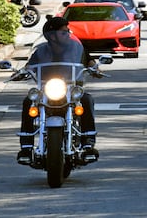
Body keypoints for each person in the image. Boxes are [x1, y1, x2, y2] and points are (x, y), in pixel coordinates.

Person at [17, 17, 99, 164]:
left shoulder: (77, 48)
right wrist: (21, 72)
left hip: (70, 88)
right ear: (51, 35)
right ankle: (26, 146)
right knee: (28, 101)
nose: (67, 34)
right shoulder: (41, 51)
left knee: (86, 99)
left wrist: (95, 69)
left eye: (67, 31)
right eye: (63, 32)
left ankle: (88, 143)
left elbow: (90, 62)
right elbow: (30, 66)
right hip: (47, 88)